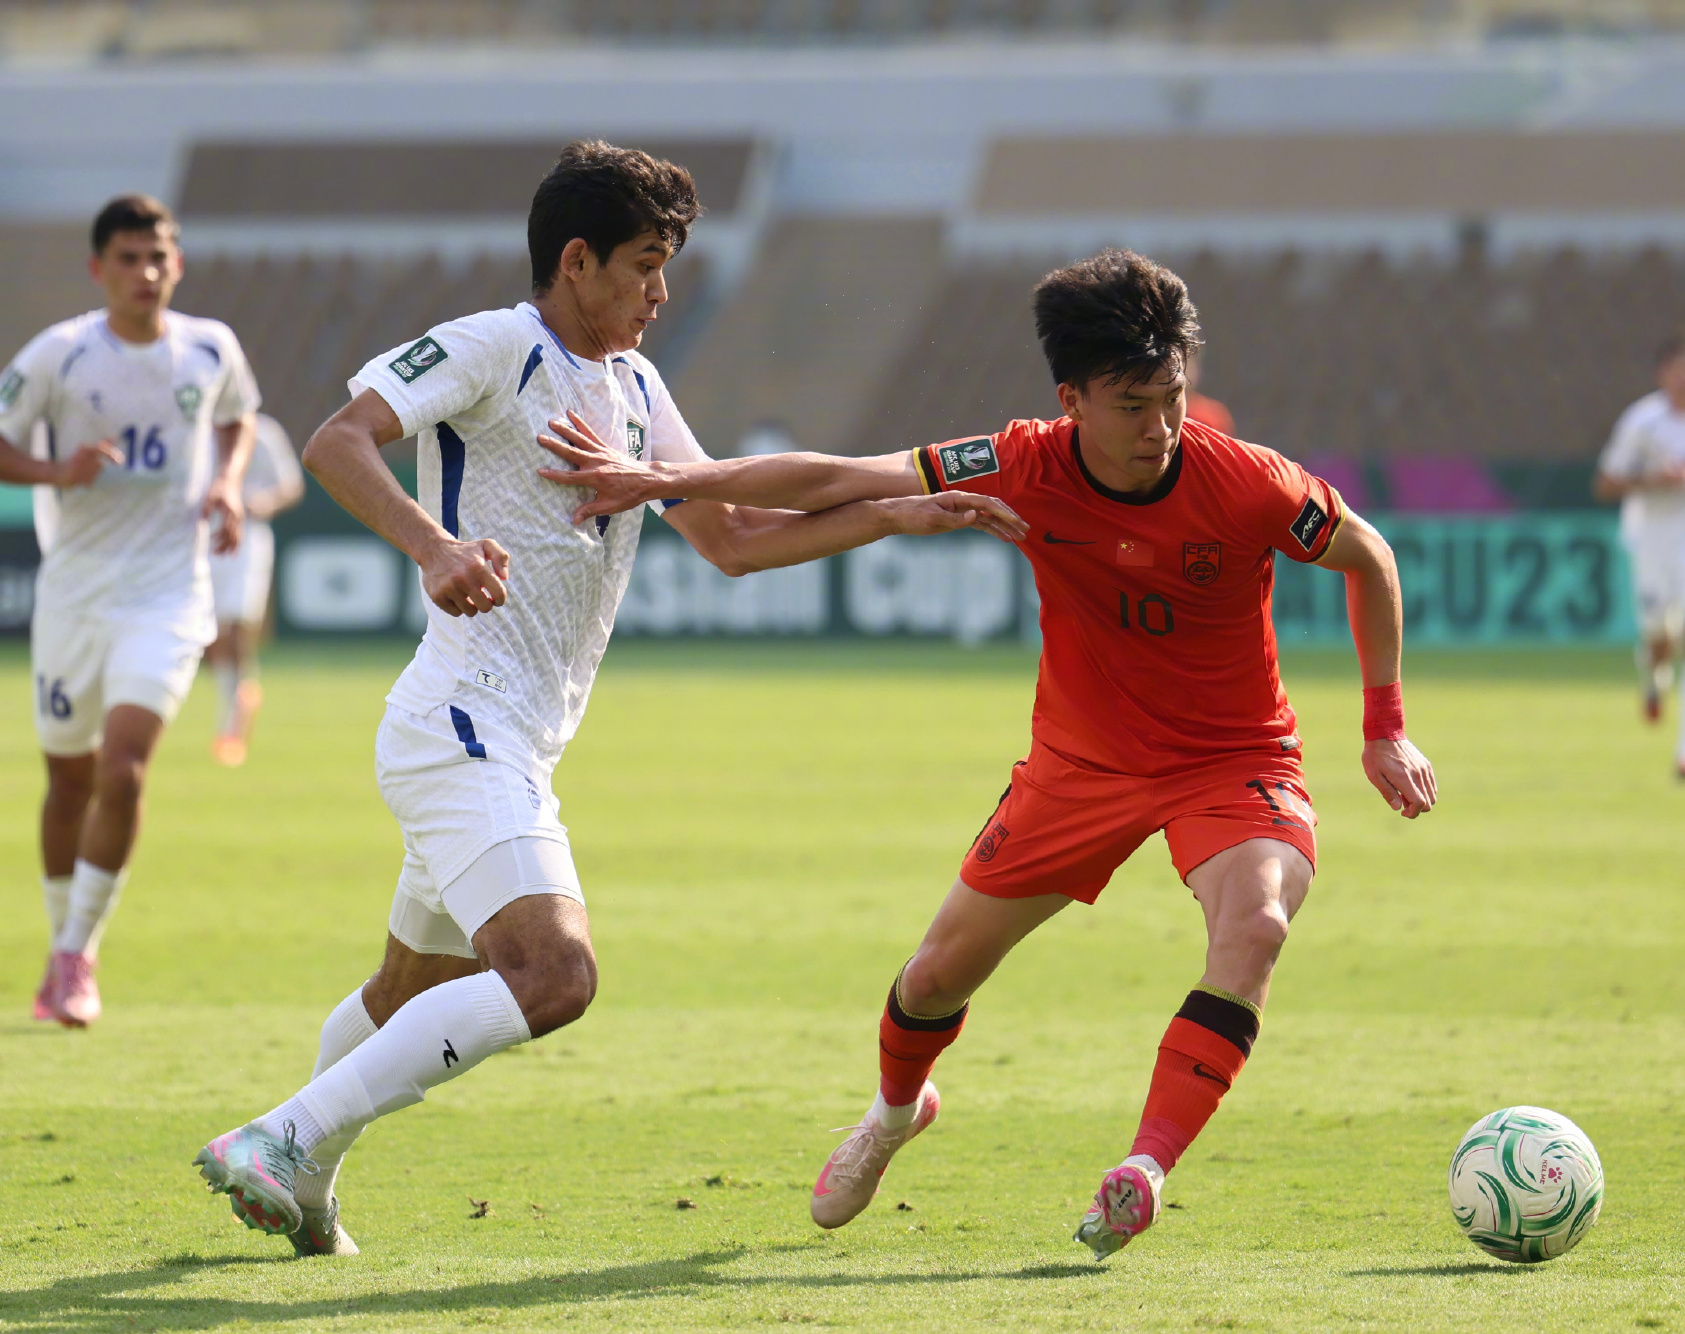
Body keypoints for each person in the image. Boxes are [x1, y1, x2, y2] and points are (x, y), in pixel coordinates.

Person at [189, 140, 1023, 1259]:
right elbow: (338, 442)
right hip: (465, 722)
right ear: (575, 261)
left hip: (509, 739)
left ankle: (307, 1185)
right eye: (643, 265)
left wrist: (895, 514)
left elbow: (730, 537)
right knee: (554, 974)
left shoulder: (634, 386)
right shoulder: (496, 346)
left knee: (403, 990)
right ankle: (283, 1136)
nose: (659, 292)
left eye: (667, 266)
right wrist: (433, 546)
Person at [536, 247, 1437, 1260]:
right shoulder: (1020, 462)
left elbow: (1369, 555)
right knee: (932, 980)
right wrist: (668, 479)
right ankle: (893, 1113)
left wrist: (1384, 726)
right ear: (1071, 401)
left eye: (1172, 399)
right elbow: (840, 477)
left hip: (1233, 759)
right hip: (1079, 769)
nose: (1160, 428)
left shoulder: (1249, 482)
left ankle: (1142, 1169)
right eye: (1133, 406)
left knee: (1258, 921)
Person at [0, 195, 256, 1027]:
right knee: (69, 780)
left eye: (158, 257)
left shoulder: (210, 347)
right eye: (128, 258)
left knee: (123, 769)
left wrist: (227, 483)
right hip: (75, 595)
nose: (146, 273)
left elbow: (238, 416)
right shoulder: (60, 354)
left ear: (177, 264)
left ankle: (79, 953)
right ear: (97, 268)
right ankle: (58, 943)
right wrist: (56, 473)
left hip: (167, 593)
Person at [1593, 329, 1685, 780]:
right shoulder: (1642, 422)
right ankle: (1654, 680)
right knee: (1661, 641)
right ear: (1663, 374)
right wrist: (1657, 480)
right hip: (1654, 542)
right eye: (1679, 368)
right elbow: (1606, 483)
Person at [207, 411, 305, 766]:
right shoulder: (195, 431)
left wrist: (265, 501)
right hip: (202, 540)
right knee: (212, 633)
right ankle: (232, 700)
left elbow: (290, 485)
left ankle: (235, 720)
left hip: (247, 538)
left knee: (239, 626)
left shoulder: (263, 432)